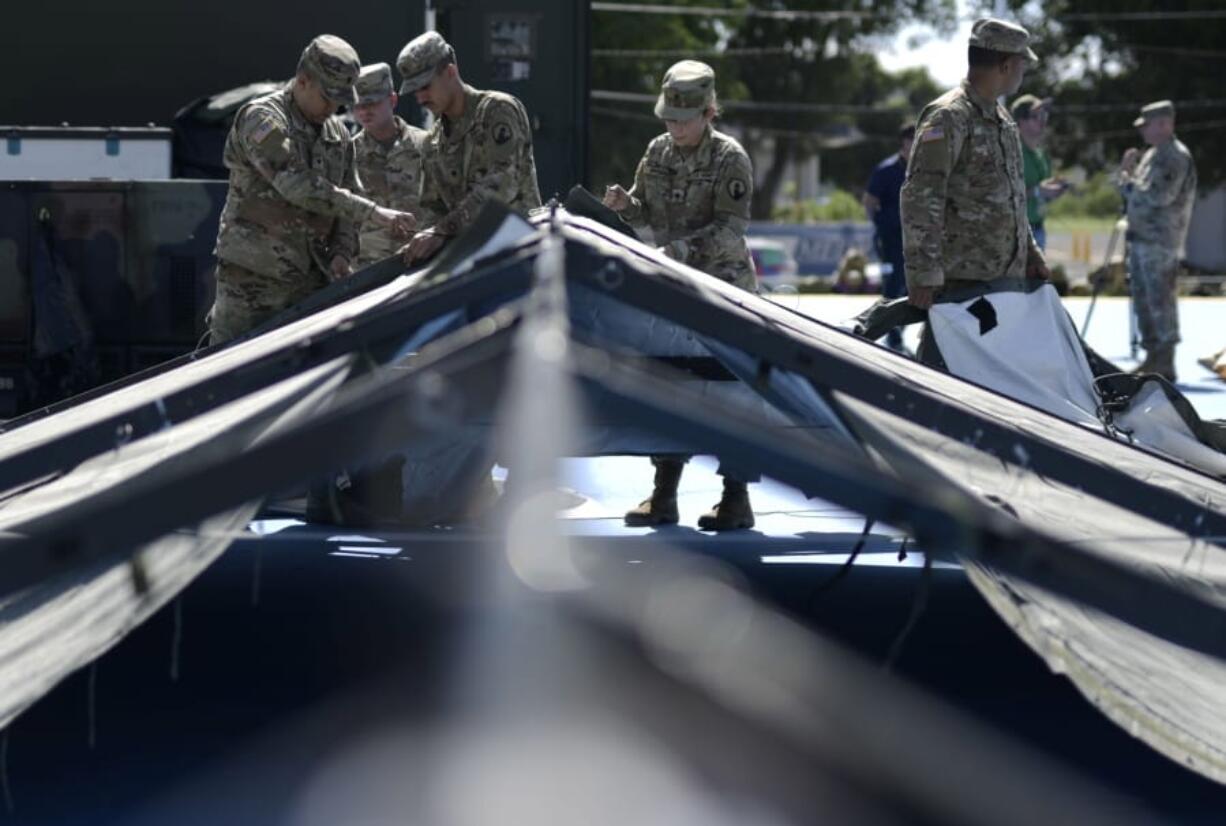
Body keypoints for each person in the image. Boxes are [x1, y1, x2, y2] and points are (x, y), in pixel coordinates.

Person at [602, 60, 758, 531]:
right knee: (668, 387)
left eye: (683, 120)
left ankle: (736, 498)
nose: (674, 127)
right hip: (673, 290)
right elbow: (645, 207)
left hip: (723, 291)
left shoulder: (731, 158)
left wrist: (682, 248)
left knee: (729, 394)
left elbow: (732, 230)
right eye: (668, 118)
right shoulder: (658, 151)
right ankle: (664, 495)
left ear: (710, 112)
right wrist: (625, 206)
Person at [208, 35, 416, 344]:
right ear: (303, 80)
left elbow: (347, 196)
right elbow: (296, 184)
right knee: (228, 377)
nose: (333, 108)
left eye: (341, 101)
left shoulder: (338, 135)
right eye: (327, 97)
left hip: (311, 287)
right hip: (253, 284)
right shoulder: (263, 119)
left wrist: (343, 252)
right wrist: (375, 213)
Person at [901, 18, 1049, 314]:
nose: (1024, 72)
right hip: (961, 283)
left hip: (1005, 281)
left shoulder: (1003, 120)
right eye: (1022, 64)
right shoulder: (948, 117)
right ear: (1006, 66)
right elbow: (921, 196)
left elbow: (1013, 198)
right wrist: (924, 273)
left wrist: (1030, 253)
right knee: (946, 361)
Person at [396, 31, 542, 265]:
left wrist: (441, 230)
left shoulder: (497, 111)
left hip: (520, 253)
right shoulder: (433, 142)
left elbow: (503, 184)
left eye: (425, 86)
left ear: (450, 72)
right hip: (470, 264)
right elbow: (432, 208)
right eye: (415, 91)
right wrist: (421, 242)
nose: (420, 98)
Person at [1117, 100, 1197, 381]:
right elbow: (1134, 194)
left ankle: (1164, 361)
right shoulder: (1153, 154)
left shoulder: (1174, 157)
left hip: (1160, 242)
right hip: (1142, 238)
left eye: (1147, 125)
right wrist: (1128, 177)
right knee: (1144, 299)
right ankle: (1152, 358)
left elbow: (1160, 196)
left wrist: (1128, 180)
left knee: (1160, 300)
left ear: (1164, 124)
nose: (1142, 132)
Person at [352, 63, 432, 267]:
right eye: (358, 105)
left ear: (392, 100)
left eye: (371, 103)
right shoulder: (347, 154)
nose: (364, 111)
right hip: (367, 269)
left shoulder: (427, 146)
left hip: (418, 263)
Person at [863, 124, 914, 350]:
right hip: (890, 239)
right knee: (891, 286)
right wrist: (880, 225)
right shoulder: (886, 170)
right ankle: (887, 332)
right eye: (913, 139)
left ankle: (899, 328)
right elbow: (869, 201)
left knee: (912, 287)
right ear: (904, 142)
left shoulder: (923, 168)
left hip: (915, 239)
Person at [1010, 94, 1068, 250]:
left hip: (1038, 228)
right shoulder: (1011, 152)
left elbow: (1041, 190)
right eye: (1036, 116)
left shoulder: (1042, 154)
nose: (1043, 120)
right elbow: (1005, 193)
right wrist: (1037, 190)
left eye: (1044, 115)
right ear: (1021, 121)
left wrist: (1054, 190)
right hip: (1015, 232)